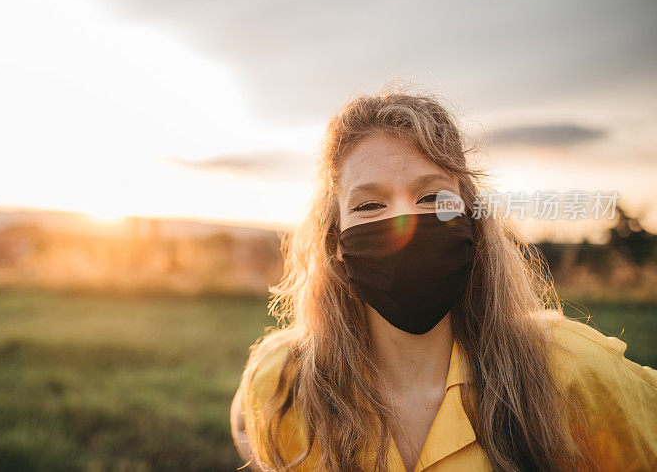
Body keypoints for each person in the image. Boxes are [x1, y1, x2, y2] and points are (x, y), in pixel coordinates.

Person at [229, 87, 657, 472]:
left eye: (432, 197)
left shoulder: (573, 372)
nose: (404, 225)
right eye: (369, 204)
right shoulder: (284, 385)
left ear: (473, 223)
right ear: (335, 243)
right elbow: (253, 428)